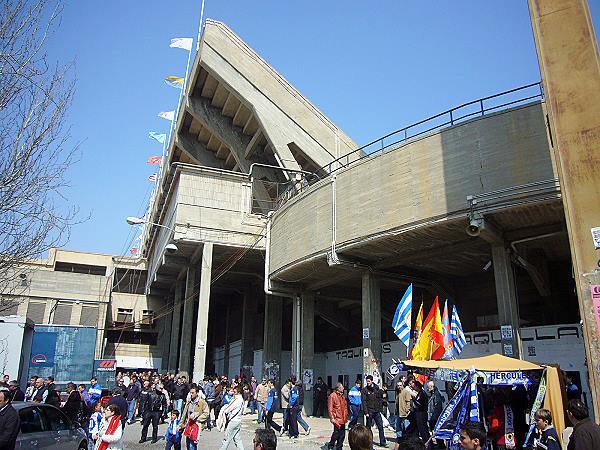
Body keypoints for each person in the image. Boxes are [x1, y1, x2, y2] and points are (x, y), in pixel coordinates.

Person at [179, 384, 210, 450]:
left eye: (193, 393)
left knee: (192, 445)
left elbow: (206, 413)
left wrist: (197, 418)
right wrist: (181, 424)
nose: (191, 394)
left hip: (196, 425)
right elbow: (184, 414)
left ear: (197, 393)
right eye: (190, 393)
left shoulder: (202, 402)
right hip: (189, 425)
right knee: (188, 444)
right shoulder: (189, 401)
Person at [218, 384, 245, 450]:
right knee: (237, 439)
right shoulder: (241, 399)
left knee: (226, 439)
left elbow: (227, 409)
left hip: (233, 421)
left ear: (238, 392)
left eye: (234, 392)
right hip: (238, 420)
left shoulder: (237, 399)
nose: (233, 393)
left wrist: (224, 410)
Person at [362, 375, 387, 448]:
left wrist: (384, 398)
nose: (368, 382)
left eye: (369, 381)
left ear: (372, 381)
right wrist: (366, 412)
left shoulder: (376, 388)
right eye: (367, 381)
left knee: (380, 427)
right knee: (368, 429)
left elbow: (381, 397)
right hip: (369, 411)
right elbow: (364, 402)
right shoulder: (364, 390)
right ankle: (369, 444)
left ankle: (383, 442)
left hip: (376, 411)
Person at [327, 382, 348, 450]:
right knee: (336, 434)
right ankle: (331, 445)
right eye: (342, 387)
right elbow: (330, 408)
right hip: (337, 418)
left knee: (342, 435)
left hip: (343, 418)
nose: (343, 388)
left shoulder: (342, 396)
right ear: (338, 388)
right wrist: (332, 418)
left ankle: (339, 447)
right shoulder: (332, 396)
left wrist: (346, 415)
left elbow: (345, 406)